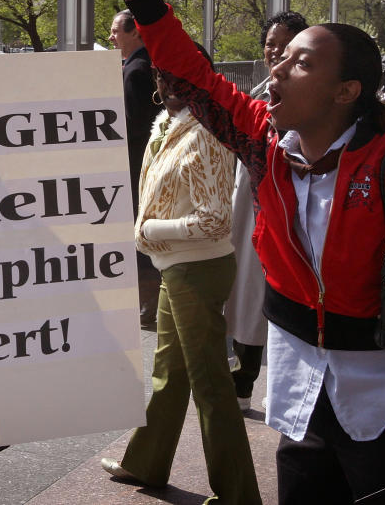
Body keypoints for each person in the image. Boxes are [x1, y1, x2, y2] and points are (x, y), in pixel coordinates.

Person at [91, 0, 385, 503]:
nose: (276, 68)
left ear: (346, 91)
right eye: (281, 57)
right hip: (299, 399)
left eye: (300, 63)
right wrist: (145, 2)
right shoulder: (263, 144)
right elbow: (196, 78)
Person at [100, 44, 261, 505]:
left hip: (199, 267)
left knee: (210, 384)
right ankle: (146, 461)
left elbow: (216, 219)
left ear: (201, 78)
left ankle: (238, 495)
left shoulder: (207, 130)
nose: (166, 85)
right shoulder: (167, 123)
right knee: (169, 372)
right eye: (161, 75)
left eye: (178, 77)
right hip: (179, 266)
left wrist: (149, 229)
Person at [225, 11, 308, 412]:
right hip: (247, 207)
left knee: (273, 299)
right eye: (271, 44)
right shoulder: (257, 95)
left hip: (286, 215)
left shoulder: (312, 102)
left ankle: (281, 391)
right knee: (246, 295)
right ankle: (242, 383)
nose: (275, 52)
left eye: (285, 45)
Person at [109, 9, 163, 327]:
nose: (111, 37)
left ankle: (148, 304)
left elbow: (134, 125)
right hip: (144, 164)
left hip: (136, 165)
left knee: (140, 231)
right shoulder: (141, 66)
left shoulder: (137, 70)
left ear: (136, 33)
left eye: (116, 31)